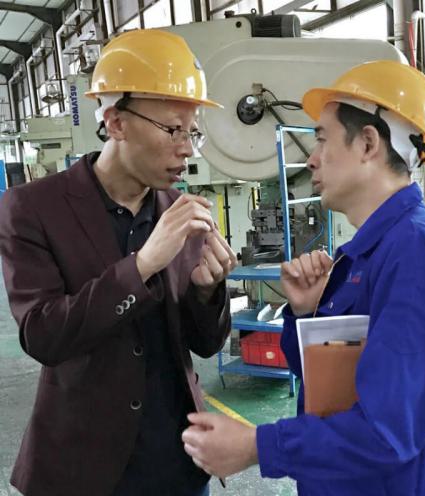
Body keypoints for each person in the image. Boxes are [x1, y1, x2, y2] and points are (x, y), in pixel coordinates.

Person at [181, 60, 425, 495]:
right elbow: (334, 387)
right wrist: (306, 314)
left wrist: (257, 445)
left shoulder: (419, 256)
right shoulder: (372, 252)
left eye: (322, 139)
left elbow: (387, 431)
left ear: (368, 143)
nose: (310, 158)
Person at [0, 29, 236, 496]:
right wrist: (143, 264)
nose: (187, 148)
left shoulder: (180, 209)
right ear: (116, 121)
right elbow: (44, 335)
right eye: (173, 129)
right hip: (85, 468)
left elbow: (204, 346)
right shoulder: (32, 208)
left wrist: (208, 293)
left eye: (193, 132)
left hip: (176, 462)